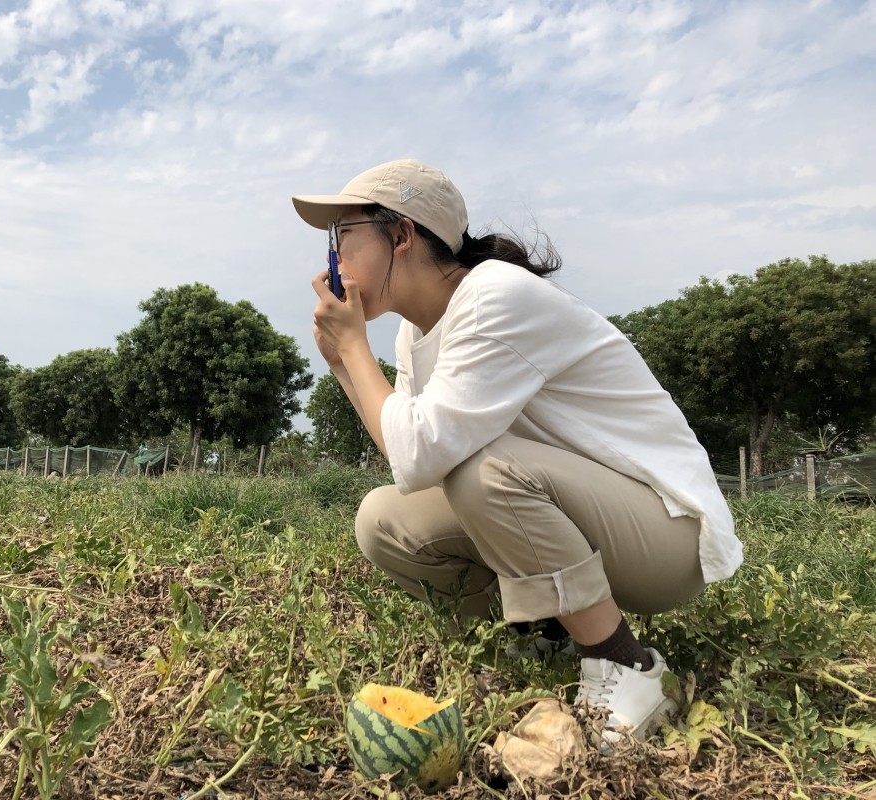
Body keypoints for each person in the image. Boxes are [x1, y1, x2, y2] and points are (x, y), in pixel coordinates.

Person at [292, 159, 742, 747]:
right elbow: (408, 460)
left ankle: (623, 663)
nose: (335, 257)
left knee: (483, 470)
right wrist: (342, 362)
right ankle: (548, 634)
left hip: (666, 536)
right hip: (585, 517)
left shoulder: (492, 297)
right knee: (384, 520)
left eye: (343, 235)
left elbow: (421, 451)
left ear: (400, 235)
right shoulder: (416, 329)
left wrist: (354, 347)